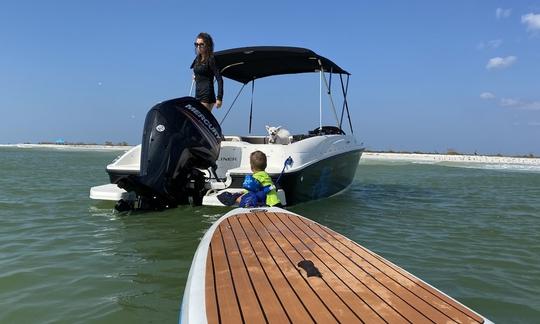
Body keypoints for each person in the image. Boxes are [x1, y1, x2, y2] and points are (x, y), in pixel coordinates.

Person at [190, 32, 223, 111]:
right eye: (196, 44)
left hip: (207, 96)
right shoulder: (197, 59)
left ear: (207, 45)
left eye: (201, 44)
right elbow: (195, 71)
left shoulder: (211, 59)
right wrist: (195, 76)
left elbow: (219, 79)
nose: (198, 47)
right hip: (197, 94)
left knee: (200, 121)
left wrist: (219, 98)